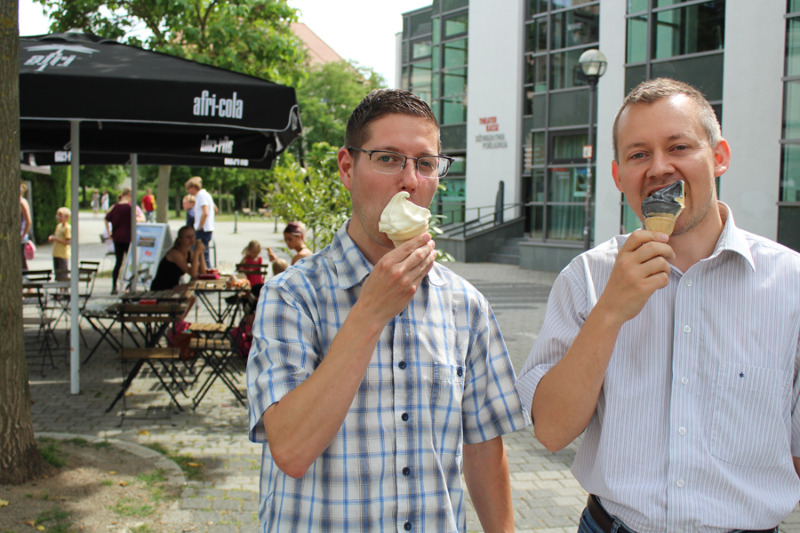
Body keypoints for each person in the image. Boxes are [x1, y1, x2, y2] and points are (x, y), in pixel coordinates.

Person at [516, 78, 800, 533]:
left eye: (679, 146)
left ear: (719, 156)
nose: (659, 168)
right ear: (618, 175)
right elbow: (550, 432)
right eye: (638, 154)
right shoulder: (587, 277)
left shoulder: (791, 284)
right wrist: (610, 311)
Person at [246, 89, 529, 532]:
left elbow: (483, 448)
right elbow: (292, 450)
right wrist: (370, 312)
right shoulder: (291, 296)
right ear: (347, 168)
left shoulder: (466, 306)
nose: (410, 181)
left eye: (426, 163)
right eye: (388, 158)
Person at [105, 188, 145, 294]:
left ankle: (114, 286)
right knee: (130, 262)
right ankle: (130, 285)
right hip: (128, 237)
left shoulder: (115, 207)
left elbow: (106, 218)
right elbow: (138, 218)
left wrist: (109, 232)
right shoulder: (130, 207)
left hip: (117, 237)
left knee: (118, 262)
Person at [150, 225, 206, 291]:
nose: (191, 239)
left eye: (193, 236)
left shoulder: (188, 253)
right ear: (180, 239)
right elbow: (192, 273)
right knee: (190, 288)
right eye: (188, 237)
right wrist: (196, 253)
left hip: (173, 287)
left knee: (193, 285)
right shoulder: (175, 254)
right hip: (161, 288)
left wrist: (201, 253)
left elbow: (202, 272)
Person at [185, 177, 215, 268]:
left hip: (203, 230)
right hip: (207, 228)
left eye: (188, 188)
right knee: (203, 254)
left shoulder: (201, 196)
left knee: (202, 255)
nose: (188, 191)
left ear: (193, 187)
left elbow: (205, 212)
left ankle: (206, 274)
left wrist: (199, 226)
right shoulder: (206, 195)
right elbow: (215, 209)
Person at [48, 207, 71, 281]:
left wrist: (56, 239)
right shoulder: (58, 226)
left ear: (67, 217)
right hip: (56, 253)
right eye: (58, 215)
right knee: (57, 275)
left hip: (63, 255)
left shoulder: (67, 228)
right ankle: (60, 291)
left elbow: (68, 241)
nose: (58, 217)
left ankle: (65, 290)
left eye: (61, 216)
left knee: (63, 275)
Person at [20, 183, 32, 271]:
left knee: (21, 260)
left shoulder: (21, 202)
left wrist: (23, 235)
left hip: (20, 236)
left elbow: (28, 221)